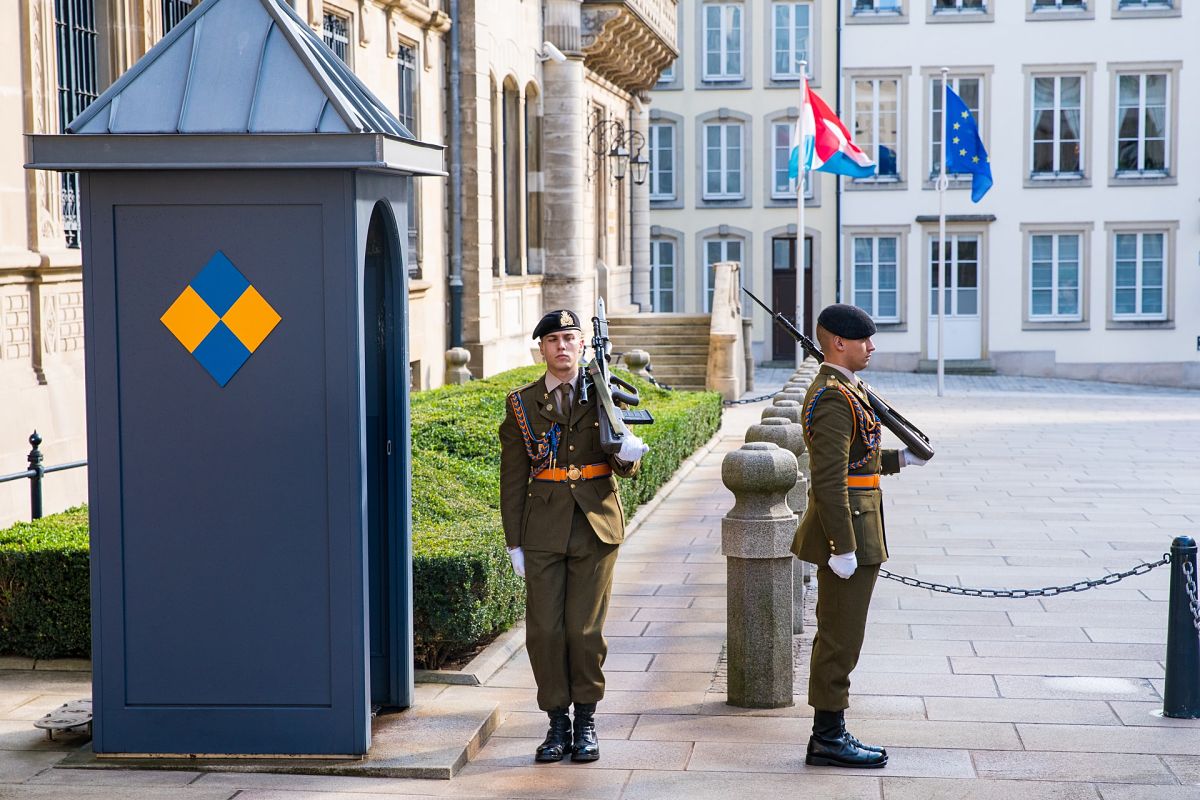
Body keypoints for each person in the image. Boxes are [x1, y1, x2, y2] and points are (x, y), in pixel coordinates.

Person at [499, 309, 649, 763]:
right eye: (553, 340)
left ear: (582, 345)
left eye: (569, 338)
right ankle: (556, 723)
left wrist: (629, 453)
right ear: (541, 349)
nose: (562, 346)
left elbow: (627, 460)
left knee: (585, 631)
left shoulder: (603, 390)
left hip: (595, 524)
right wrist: (514, 541)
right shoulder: (522, 404)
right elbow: (512, 476)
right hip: (542, 528)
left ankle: (585, 720)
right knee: (545, 631)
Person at [791, 303, 927, 769]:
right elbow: (829, 480)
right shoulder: (832, 396)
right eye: (864, 340)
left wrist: (900, 460)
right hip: (848, 530)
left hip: (860, 523)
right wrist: (842, 547)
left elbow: (859, 458)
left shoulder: (848, 389)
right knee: (839, 636)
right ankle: (828, 736)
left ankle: (830, 732)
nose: (872, 347)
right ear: (837, 343)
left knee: (845, 635)